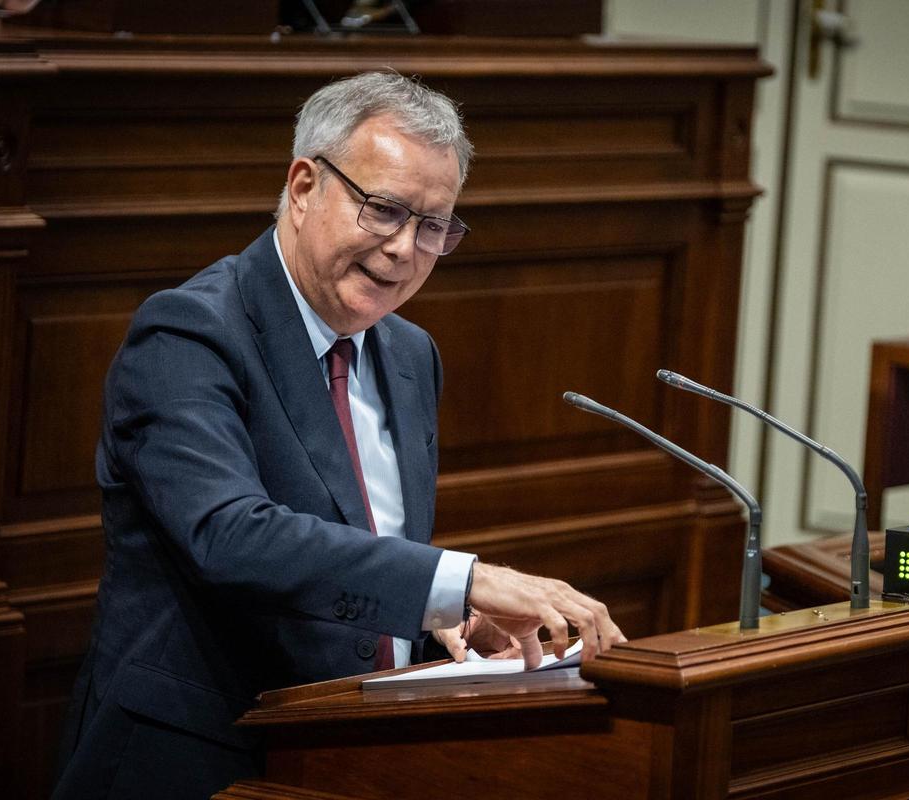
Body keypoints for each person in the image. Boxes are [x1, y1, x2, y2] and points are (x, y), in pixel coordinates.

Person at [51, 71, 625, 800]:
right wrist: (463, 580)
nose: (405, 250)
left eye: (434, 226)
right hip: (198, 760)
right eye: (384, 210)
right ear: (302, 185)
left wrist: (448, 622)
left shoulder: (411, 355)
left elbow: (359, 550)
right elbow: (230, 536)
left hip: (351, 757)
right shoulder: (190, 332)